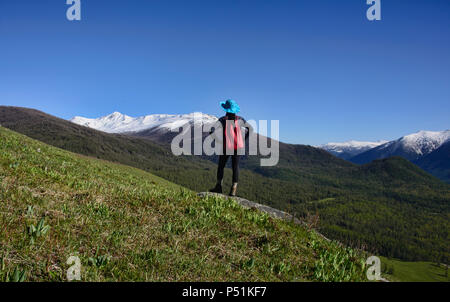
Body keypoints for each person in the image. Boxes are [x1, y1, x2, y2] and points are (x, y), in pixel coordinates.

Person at [209, 99, 252, 196]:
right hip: (238, 147)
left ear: (226, 109)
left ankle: (218, 187)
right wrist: (243, 140)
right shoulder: (240, 119)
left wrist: (218, 140)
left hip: (226, 146)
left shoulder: (223, 120)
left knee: (221, 166)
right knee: (235, 167)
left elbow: (211, 131)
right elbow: (250, 129)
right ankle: (233, 190)